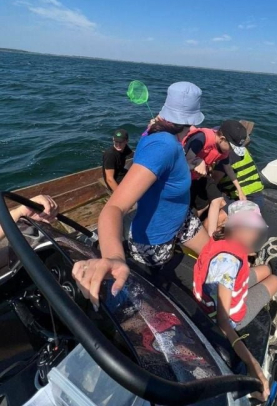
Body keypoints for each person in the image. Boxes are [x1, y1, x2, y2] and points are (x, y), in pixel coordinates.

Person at [72, 81, 209, 310]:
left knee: (213, 253)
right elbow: (113, 209)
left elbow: (163, 170)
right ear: (191, 123)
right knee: (155, 292)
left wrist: (186, 165)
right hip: (157, 238)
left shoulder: (156, 135)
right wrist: (114, 257)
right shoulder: (164, 146)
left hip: (182, 219)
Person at [193, 200, 277, 402]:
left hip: (223, 284)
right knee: (275, 280)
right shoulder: (229, 264)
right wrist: (252, 364)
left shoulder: (218, 236)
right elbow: (224, 322)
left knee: (266, 269)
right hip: (228, 311)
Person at [183, 120, 248, 215]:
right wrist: (198, 163)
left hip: (197, 177)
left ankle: (193, 221)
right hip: (183, 177)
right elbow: (185, 162)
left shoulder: (223, 149)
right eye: (231, 147)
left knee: (208, 203)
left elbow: (228, 168)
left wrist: (240, 190)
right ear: (222, 139)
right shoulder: (202, 138)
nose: (231, 151)